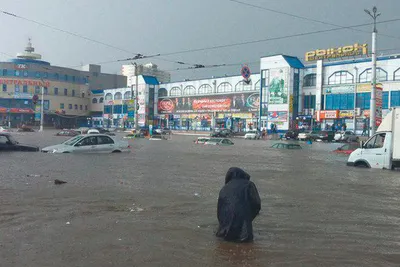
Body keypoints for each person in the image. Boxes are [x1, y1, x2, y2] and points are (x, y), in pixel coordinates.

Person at [216, 167, 261, 243]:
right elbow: (256, 204)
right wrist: (248, 217)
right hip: (243, 229)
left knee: (225, 248)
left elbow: (220, 211)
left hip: (223, 231)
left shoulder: (224, 188)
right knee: (245, 246)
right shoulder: (249, 185)